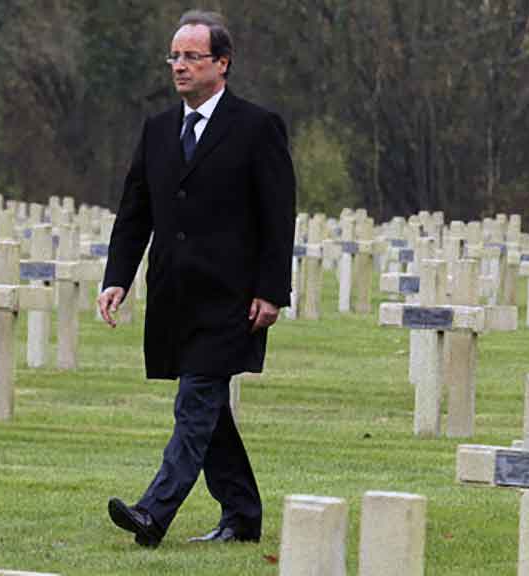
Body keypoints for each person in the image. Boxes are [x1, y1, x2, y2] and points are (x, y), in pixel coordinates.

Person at [97, 10, 295, 548]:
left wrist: (272, 291)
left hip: (231, 299)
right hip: (175, 297)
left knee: (195, 404)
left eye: (192, 56)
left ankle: (152, 513)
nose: (179, 66)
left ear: (222, 63)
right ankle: (242, 515)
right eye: (175, 56)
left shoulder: (257, 127)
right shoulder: (158, 129)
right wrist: (117, 278)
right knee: (208, 413)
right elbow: (135, 212)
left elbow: (278, 216)